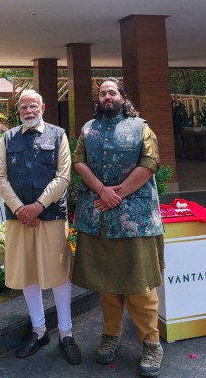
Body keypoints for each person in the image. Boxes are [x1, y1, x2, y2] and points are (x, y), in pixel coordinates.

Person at [72, 78, 164, 377]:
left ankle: (151, 343)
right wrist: (102, 191)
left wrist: (118, 193)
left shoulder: (141, 127)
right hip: (98, 217)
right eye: (102, 93)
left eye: (112, 92)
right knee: (108, 285)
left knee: (140, 286)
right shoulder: (88, 129)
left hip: (135, 219)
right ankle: (110, 336)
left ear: (122, 97)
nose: (107, 96)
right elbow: (80, 161)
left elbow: (150, 162)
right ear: (98, 99)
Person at [0, 90, 81, 364]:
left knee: (59, 274)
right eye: (23, 108)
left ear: (42, 107)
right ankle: (39, 330)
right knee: (28, 272)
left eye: (33, 106)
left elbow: (64, 175)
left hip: (51, 216)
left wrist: (38, 206)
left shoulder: (58, 135)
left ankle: (66, 333)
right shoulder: (8, 138)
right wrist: (20, 209)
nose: (28, 111)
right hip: (18, 219)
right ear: (18, 111)